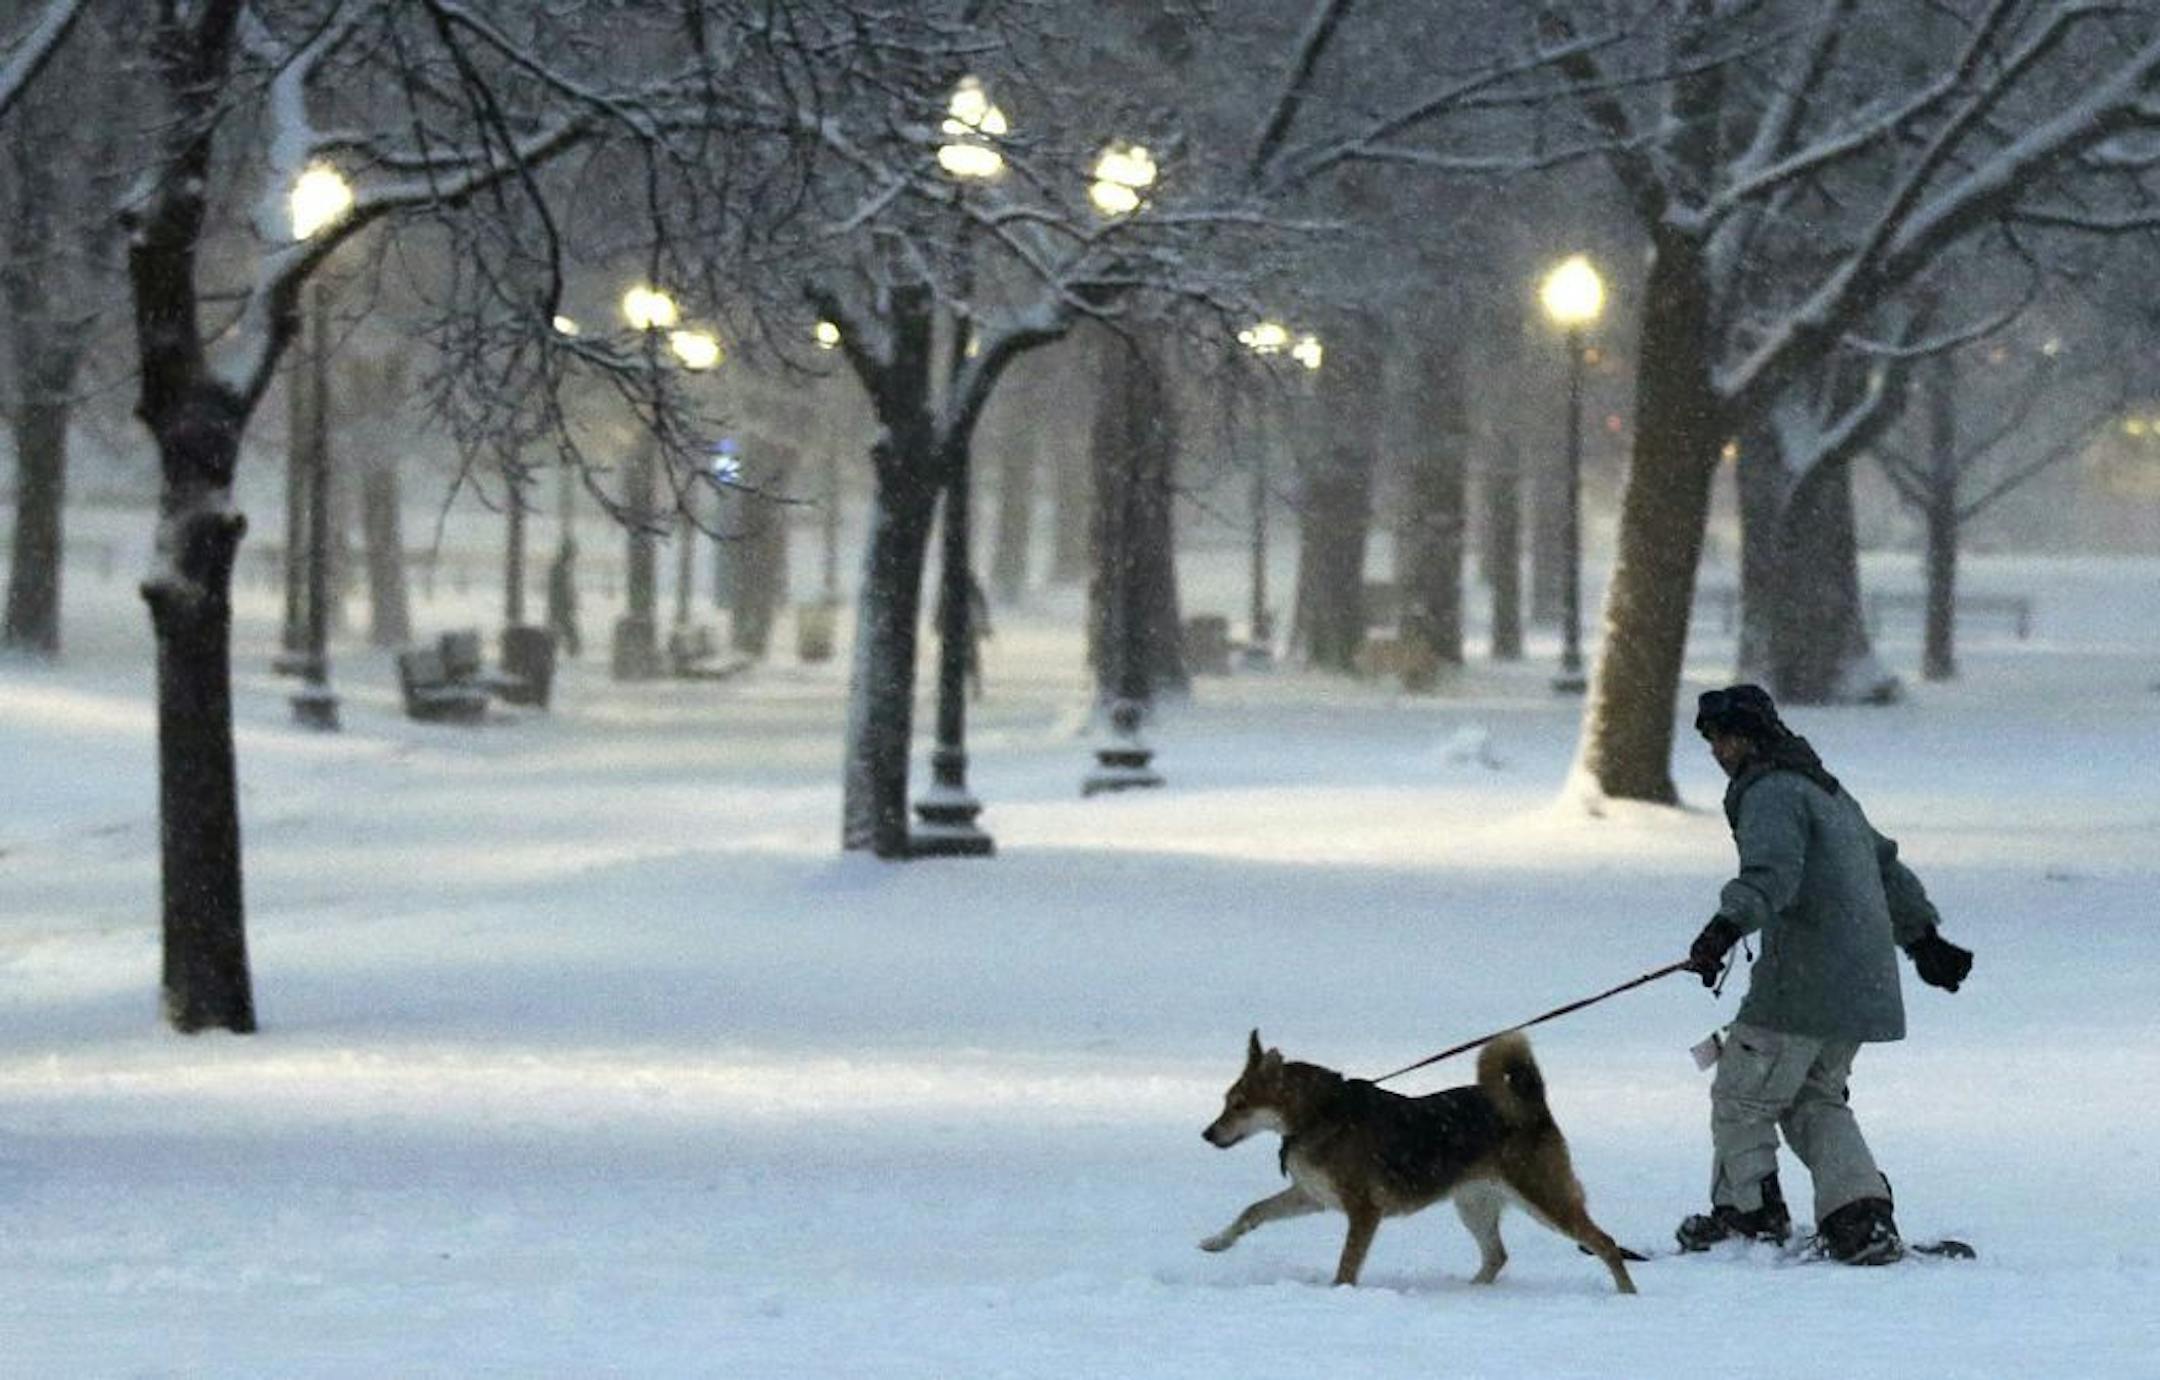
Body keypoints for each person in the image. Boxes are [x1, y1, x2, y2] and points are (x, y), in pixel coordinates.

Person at [1678, 684, 1973, 1265]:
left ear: (1753, 737)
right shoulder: (1825, 788)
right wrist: (1923, 939)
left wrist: (1724, 927)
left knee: (1743, 1093)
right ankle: (1859, 1218)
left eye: (1726, 738)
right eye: (1711, 739)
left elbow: (1772, 872)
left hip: (1804, 980)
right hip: (1861, 981)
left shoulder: (1770, 791)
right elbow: (1883, 866)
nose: (1718, 751)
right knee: (1813, 1097)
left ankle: (1748, 1218)